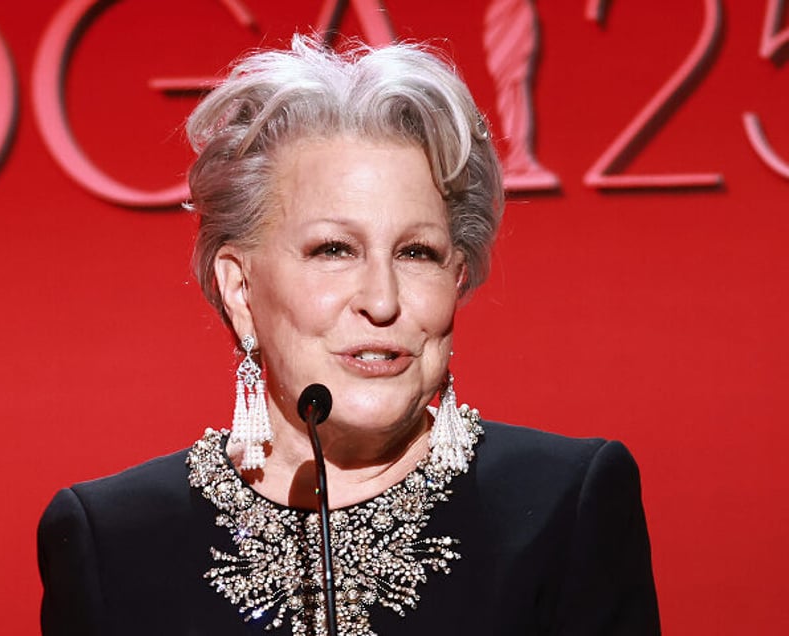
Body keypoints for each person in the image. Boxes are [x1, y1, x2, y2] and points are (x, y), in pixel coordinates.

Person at [38, 35, 660, 635]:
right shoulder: (112, 541)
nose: (383, 301)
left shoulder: (565, 507)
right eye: (334, 249)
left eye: (417, 253)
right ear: (240, 289)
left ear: (457, 277)